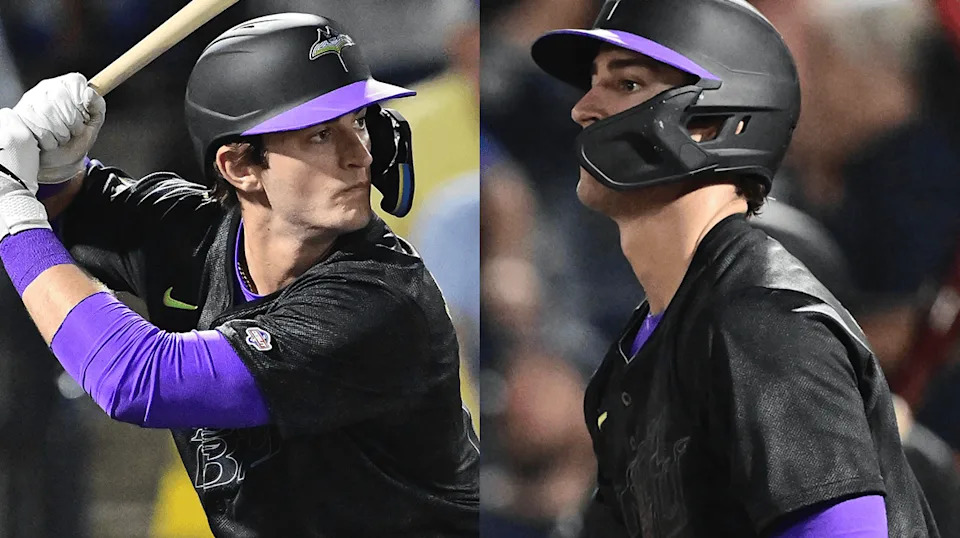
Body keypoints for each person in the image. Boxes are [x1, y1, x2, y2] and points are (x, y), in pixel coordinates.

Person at [0, 12, 479, 537]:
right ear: (239, 167)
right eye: (321, 135)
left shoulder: (382, 301)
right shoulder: (193, 233)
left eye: (360, 122)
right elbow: (69, 207)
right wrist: (54, 164)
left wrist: (12, 212)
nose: (359, 155)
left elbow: (139, 379)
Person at [529, 0, 939, 536]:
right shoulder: (646, 345)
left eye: (626, 84)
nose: (583, 108)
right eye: (592, 82)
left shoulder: (763, 323)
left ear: (713, 121)